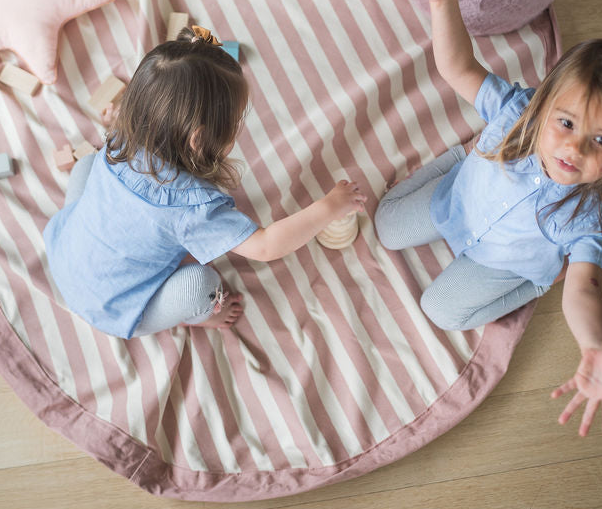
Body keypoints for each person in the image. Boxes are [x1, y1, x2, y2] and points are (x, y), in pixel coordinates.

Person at [376, 0, 602, 436]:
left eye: (600, 140)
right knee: (387, 226)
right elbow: (457, 67)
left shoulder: (591, 218)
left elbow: (584, 291)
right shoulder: (516, 114)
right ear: (542, 106)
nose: (574, 149)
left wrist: (596, 345)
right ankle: (463, 158)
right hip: (458, 199)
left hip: (503, 261)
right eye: (565, 123)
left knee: (442, 311)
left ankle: (534, 281)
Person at [43, 26, 366, 338]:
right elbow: (267, 246)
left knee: (87, 162)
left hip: (64, 253)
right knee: (203, 285)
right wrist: (328, 207)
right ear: (199, 140)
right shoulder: (194, 207)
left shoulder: (120, 141)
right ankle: (195, 319)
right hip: (116, 307)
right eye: (236, 121)